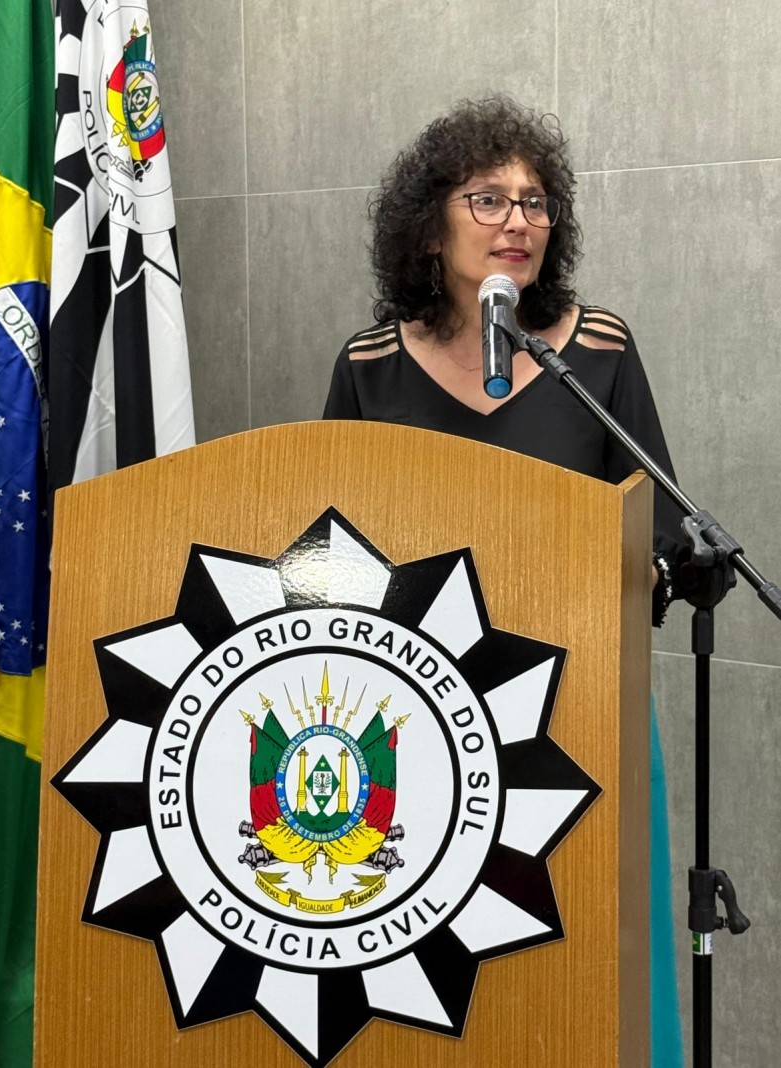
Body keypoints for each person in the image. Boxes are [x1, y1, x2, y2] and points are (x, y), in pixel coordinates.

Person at [324, 95, 684, 1065]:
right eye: (487, 199)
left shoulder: (596, 350)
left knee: (591, 965)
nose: (517, 220)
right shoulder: (368, 366)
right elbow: (329, 547)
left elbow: (660, 521)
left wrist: (652, 565)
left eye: (534, 201)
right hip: (418, 718)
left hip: (582, 705)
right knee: (444, 983)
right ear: (428, 228)